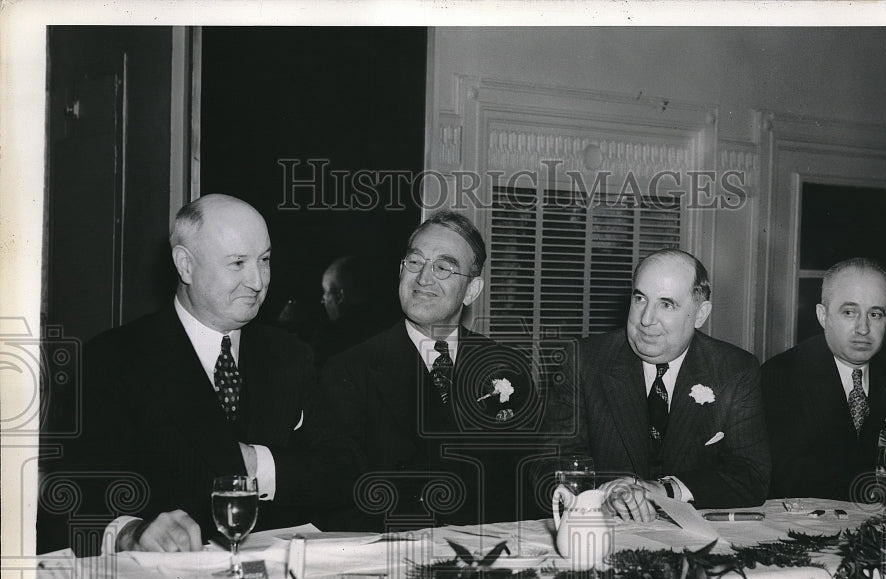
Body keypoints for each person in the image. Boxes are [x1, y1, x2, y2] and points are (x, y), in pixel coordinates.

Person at [42, 194, 355, 555]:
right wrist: (130, 533)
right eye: (237, 263)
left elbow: (342, 469)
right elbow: (69, 492)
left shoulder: (290, 355)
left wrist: (256, 463)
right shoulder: (113, 358)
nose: (257, 281)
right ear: (185, 265)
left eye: (264, 260)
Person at [321, 211, 537, 530]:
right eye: (415, 262)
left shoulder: (507, 368)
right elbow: (339, 498)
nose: (423, 278)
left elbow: (525, 488)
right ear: (400, 271)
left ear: (472, 290)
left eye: (443, 267)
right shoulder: (349, 371)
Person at [541, 248, 771, 520]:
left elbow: (751, 475)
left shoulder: (734, 370)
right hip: (607, 530)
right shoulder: (583, 361)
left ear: (700, 314)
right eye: (640, 299)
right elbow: (549, 467)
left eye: (666, 304)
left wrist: (664, 489)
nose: (646, 319)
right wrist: (605, 496)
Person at [761, 257, 886, 508]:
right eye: (849, 312)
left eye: (875, 314)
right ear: (822, 315)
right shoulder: (781, 374)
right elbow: (792, 475)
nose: (863, 328)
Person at [312, 255, 383, 369]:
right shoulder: (387, 328)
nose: (323, 300)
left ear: (340, 296)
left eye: (325, 292)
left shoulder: (329, 338)